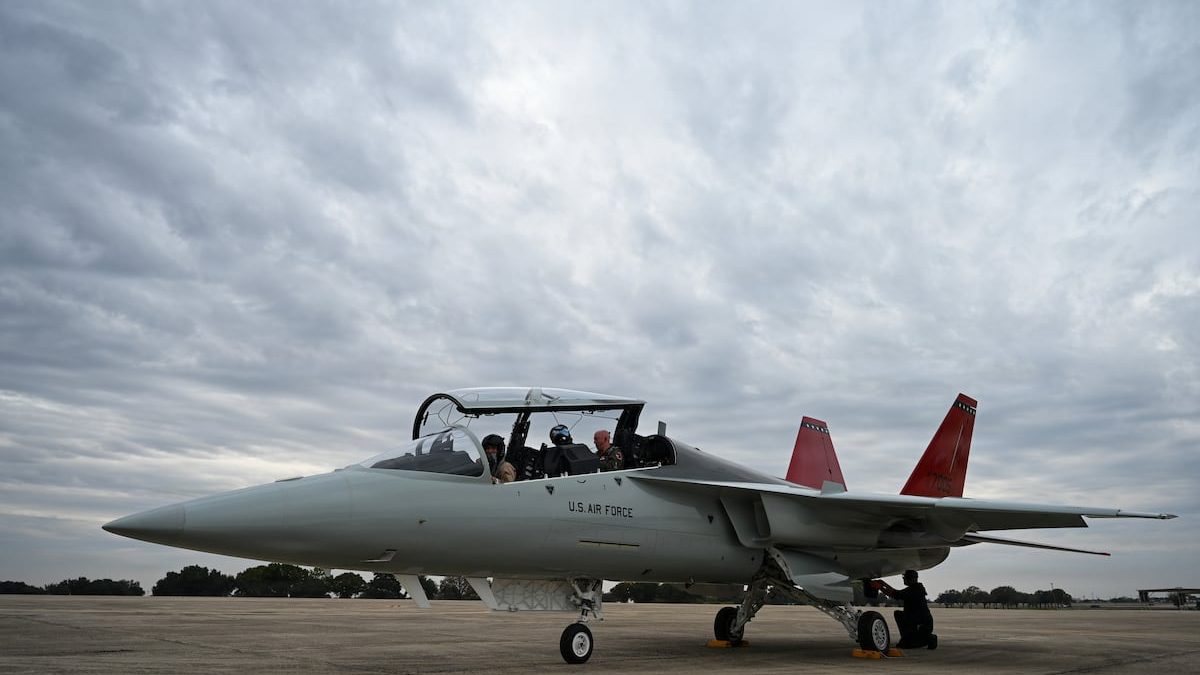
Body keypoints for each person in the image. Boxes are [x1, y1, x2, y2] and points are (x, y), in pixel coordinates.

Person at [873, 570, 937, 649]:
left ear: (910, 579)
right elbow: (896, 593)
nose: (903, 579)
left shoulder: (914, 590)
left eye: (905, 578)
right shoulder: (916, 589)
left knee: (906, 645)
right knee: (899, 614)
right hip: (921, 623)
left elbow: (895, 594)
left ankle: (928, 638)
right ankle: (916, 637)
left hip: (920, 625)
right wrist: (883, 584)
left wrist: (880, 587)